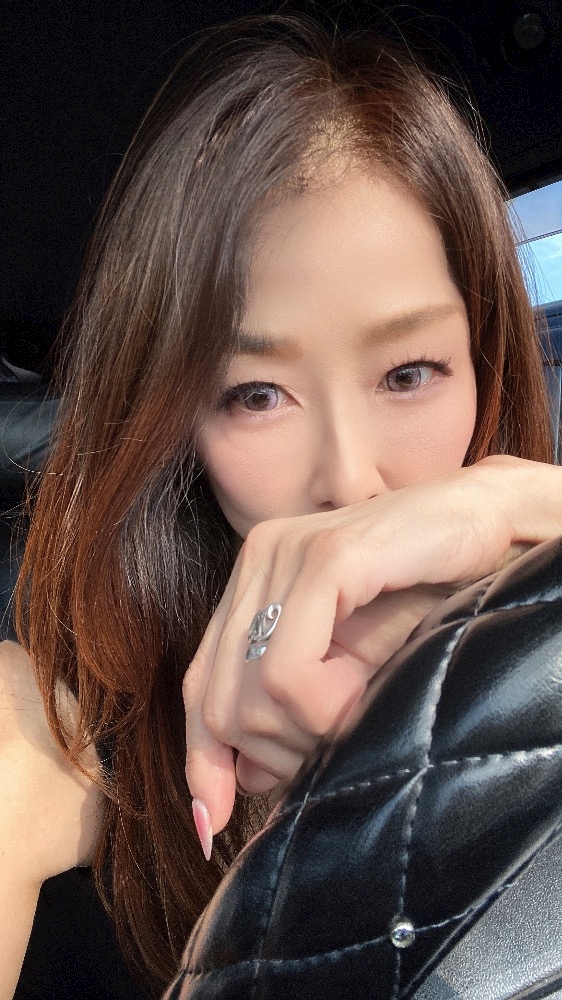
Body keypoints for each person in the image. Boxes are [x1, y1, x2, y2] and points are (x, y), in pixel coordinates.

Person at [1, 12, 560, 999]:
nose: (350, 483)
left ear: (486, 368)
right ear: (175, 425)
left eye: (410, 373)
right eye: (256, 395)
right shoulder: (44, 736)